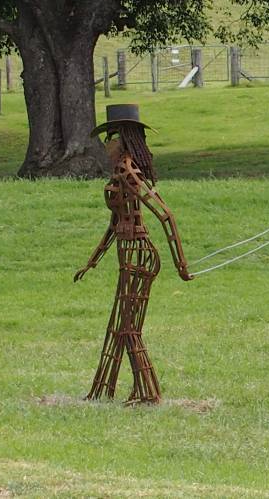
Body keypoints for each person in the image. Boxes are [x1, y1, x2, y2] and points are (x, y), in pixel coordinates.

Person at [75, 104, 191, 404]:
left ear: (124, 139)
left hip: (140, 256)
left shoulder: (129, 172)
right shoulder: (119, 173)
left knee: (128, 327)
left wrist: (181, 265)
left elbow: (165, 215)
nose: (106, 145)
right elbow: (114, 226)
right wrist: (92, 262)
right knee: (119, 325)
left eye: (110, 137)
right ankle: (103, 390)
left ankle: (148, 394)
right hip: (126, 257)